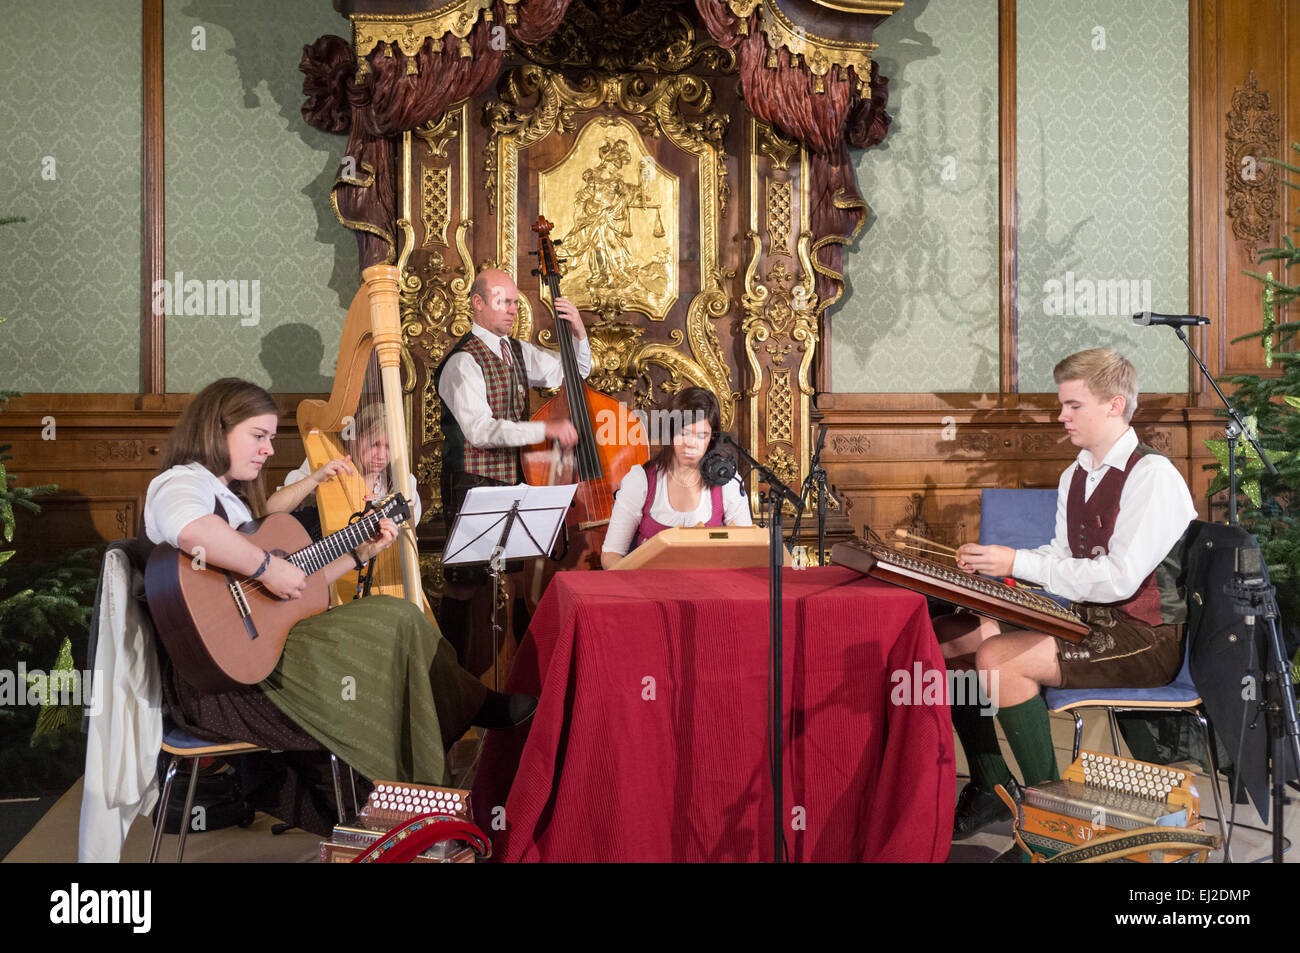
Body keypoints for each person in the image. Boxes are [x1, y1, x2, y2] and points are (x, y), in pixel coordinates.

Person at [143, 378, 535, 834]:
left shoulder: (233, 495)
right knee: (393, 622)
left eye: (271, 437)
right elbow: (189, 529)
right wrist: (267, 567)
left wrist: (356, 555)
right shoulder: (180, 482)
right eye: (259, 435)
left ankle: (418, 796)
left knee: (399, 622)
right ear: (216, 428)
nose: (269, 449)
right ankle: (455, 735)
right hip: (216, 684)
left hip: (262, 653)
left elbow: (298, 586)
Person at [938, 349, 1197, 843]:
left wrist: (1017, 564)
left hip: (1145, 637)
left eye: (1073, 405)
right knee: (956, 637)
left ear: (1114, 405)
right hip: (1089, 621)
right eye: (1063, 405)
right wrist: (999, 563)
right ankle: (992, 785)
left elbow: (1119, 579)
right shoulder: (1076, 472)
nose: (1062, 417)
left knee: (998, 658)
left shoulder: (1152, 476)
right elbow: (1061, 555)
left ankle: (1052, 827)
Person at [435, 268, 589, 667]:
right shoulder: (462, 362)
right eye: (503, 301)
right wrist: (545, 428)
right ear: (478, 303)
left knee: (518, 583)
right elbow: (481, 431)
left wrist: (579, 335)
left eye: (515, 303)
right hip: (472, 482)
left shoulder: (518, 351)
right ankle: (454, 681)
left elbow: (574, 374)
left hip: (515, 481)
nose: (511, 310)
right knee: (467, 587)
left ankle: (521, 678)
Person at [601, 386, 752, 569]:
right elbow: (610, 555)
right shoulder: (641, 481)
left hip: (707, 590)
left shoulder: (727, 482)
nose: (690, 444)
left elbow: (747, 550)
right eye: (683, 433)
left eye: (702, 435)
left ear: (712, 438)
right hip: (649, 591)